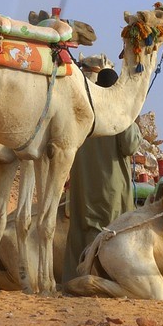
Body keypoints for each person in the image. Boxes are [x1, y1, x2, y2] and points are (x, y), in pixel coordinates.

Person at [59, 68, 144, 284]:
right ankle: (104, 282)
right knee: (110, 236)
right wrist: (133, 119)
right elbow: (130, 145)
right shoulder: (119, 113)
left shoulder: (84, 110)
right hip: (110, 190)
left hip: (82, 187)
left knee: (79, 234)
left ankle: (72, 281)